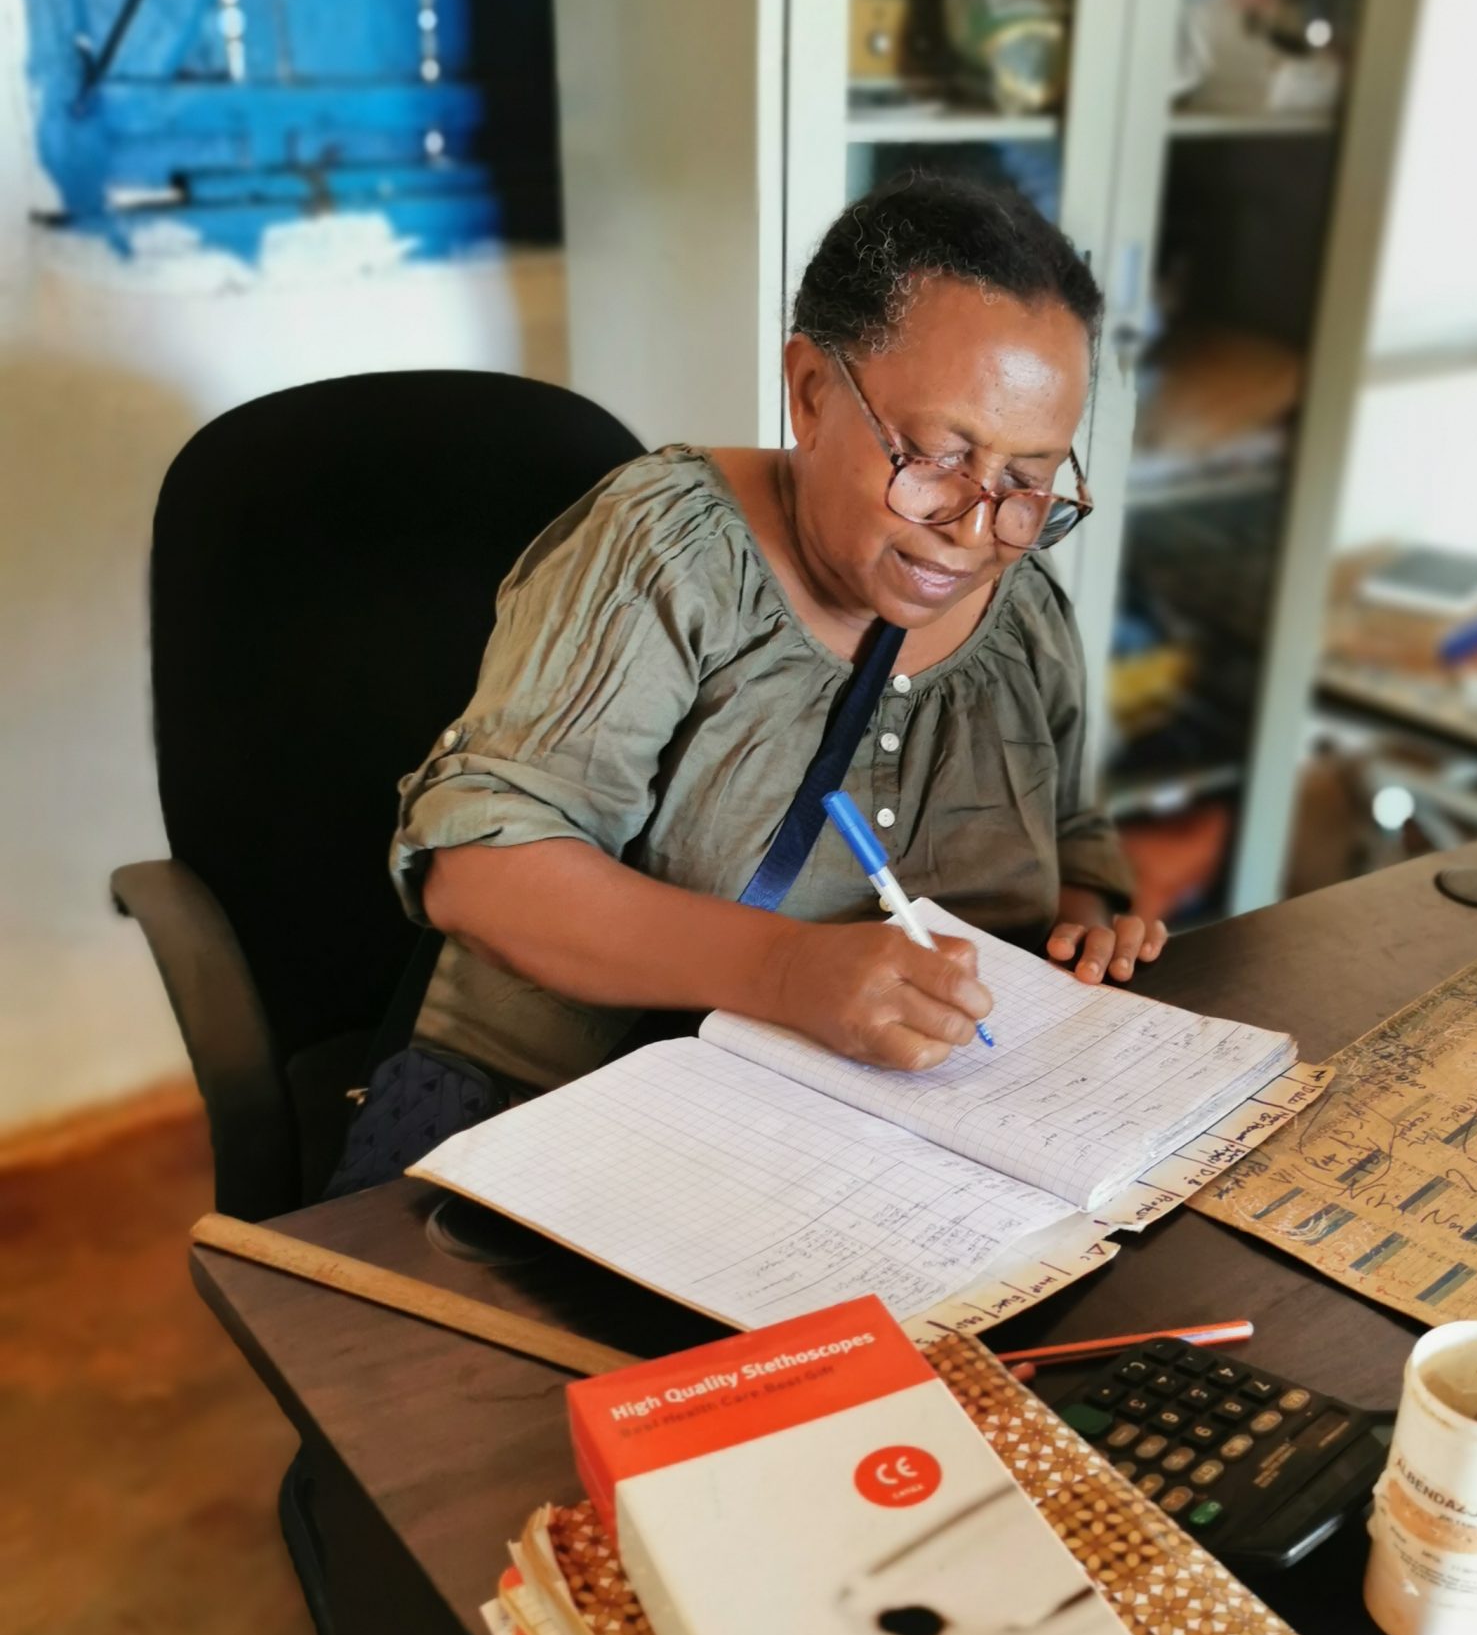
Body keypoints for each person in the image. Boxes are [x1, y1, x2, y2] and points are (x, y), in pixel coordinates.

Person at [332, 171, 1165, 1193]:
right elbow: (478, 868)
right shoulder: (667, 554)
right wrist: (785, 970)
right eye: (938, 457)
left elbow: (1074, 834)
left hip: (885, 1142)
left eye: (1028, 479)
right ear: (811, 391)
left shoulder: (1024, 608)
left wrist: (1087, 927)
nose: (976, 529)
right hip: (568, 1113)